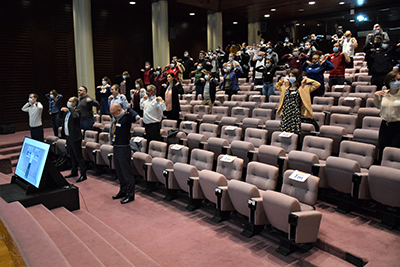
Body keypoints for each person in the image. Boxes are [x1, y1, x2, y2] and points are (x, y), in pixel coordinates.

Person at [109, 103, 140, 204]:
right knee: (119, 172)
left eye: (113, 113)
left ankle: (130, 194)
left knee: (126, 173)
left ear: (119, 110)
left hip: (123, 148)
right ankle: (123, 191)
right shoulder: (116, 118)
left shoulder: (126, 118)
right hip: (116, 146)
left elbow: (137, 117)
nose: (112, 115)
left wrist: (129, 109)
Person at [275, 69, 320, 134]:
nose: (291, 78)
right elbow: (277, 86)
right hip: (286, 112)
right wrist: (282, 80)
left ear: (297, 76)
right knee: (284, 131)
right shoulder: (285, 87)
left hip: (295, 112)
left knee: (294, 131)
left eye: (293, 76)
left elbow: (317, 84)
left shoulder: (303, 88)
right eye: (290, 76)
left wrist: (306, 80)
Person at [373, 71, 400, 161]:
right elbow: (378, 106)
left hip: (397, 126)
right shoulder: (384, 94)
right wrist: (376, 97)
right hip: (385, 126)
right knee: (382, 148)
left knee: (395, 151)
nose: (396, 82)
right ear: (388, 82)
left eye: (398, 80)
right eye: (393, 80)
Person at [60, 97, 87, 182]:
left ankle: (83, 174)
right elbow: (60, 117)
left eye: (70, 101)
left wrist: (71, 109)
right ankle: (74, 171)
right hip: (68, 137)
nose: (68, 102)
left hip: (75, 138)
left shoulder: (77, 111)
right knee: (71, 155)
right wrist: (61, 111)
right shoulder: (67, 112)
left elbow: (76, 117)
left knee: (78, 156)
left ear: (74, 103)